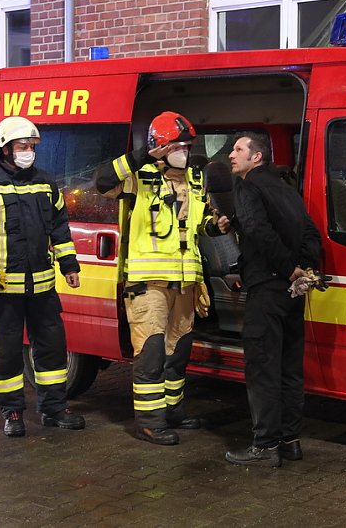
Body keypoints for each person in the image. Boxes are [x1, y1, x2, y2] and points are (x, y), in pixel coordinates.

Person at [94, 111, 229, 446]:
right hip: (147, 283)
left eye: (187, 144)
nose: (184, 150)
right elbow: (101, 182)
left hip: (185, 282)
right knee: (152, 352)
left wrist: (216, 227)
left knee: (178, 350)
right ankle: (151, 421)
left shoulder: (196, 180)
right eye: (177, 145)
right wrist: (143, 156)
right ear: (160, 147)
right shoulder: (138, 177)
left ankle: (173, 411)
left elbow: (196, 225)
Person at [0, 116, 85, 438]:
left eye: (32, 146)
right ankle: (11, 411)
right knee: (6, 353)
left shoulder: (45, 181)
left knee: (53, 350)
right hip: (3, 289)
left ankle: (54, 408)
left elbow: (59, 227)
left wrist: (69, 264)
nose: (28, 151)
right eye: (22, 146)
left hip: (42, 289)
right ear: (5, 148)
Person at [225, 132, 322, 468]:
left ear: (257, 157)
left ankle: (265, 447)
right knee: (290, 370)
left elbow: (257, 230)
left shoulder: (247, 187)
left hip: (267, 289)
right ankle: (290, 442)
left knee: (264, 369)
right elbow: (310, 232)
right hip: (293, 295)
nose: (231, 155)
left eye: (239, 150)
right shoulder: (285, 188)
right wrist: (305, 269)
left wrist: (287, 268)